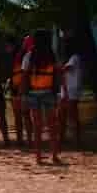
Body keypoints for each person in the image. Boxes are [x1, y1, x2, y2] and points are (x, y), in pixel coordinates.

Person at [21, 29, 62, 165]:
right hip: (49, 93)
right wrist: (58, 92)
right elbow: (57, 75)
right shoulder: (52, 56)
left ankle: (38, 156)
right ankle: (54, 155)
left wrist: (24, 95)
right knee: (52, 126)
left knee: (37, 126)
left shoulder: (29, 55)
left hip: (33, 93)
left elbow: (25, 77)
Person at [57, 32, 85, 148]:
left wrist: (58, 68)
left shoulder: (74, 57)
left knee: (72, 116)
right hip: (67, 89)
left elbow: (65, 69)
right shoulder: (74, 58)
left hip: (71, 90)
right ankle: (64, 138)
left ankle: (76, 140)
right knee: (62, 115)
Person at [10, 36, 34, 150]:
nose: (24, 44)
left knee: (23, 115)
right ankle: (22, 139)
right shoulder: (20, 55)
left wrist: (21, 89)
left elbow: (25, 75)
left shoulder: (28, 55)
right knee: (22, 115)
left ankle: (26, 139)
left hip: (23, 89)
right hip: (18, 88)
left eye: (26, 42)